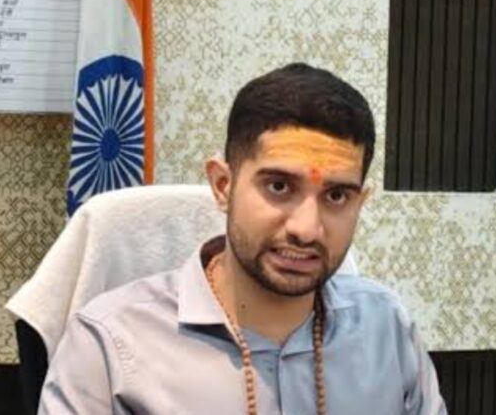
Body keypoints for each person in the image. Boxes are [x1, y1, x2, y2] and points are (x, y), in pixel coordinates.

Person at [38, 63, 447, 414]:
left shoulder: (387, 329)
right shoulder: (109, 345)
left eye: (337, 195)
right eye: (279, 187)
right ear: (223, 186)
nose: (306, 229)